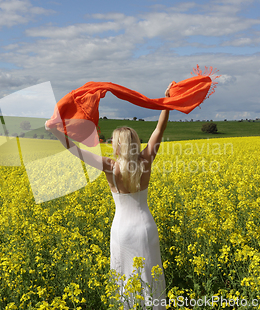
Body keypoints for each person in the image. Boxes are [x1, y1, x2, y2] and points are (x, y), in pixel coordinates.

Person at [45, 83, 172, 309]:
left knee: (124, 277)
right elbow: (158, 131)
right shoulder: (145, 161)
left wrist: (55, 130)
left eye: (113, 141)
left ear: (118, 145)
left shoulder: (109, 166)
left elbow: (75, 150)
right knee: (150, 275)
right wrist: (166, 102)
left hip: (122, 229)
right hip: (145, 227)